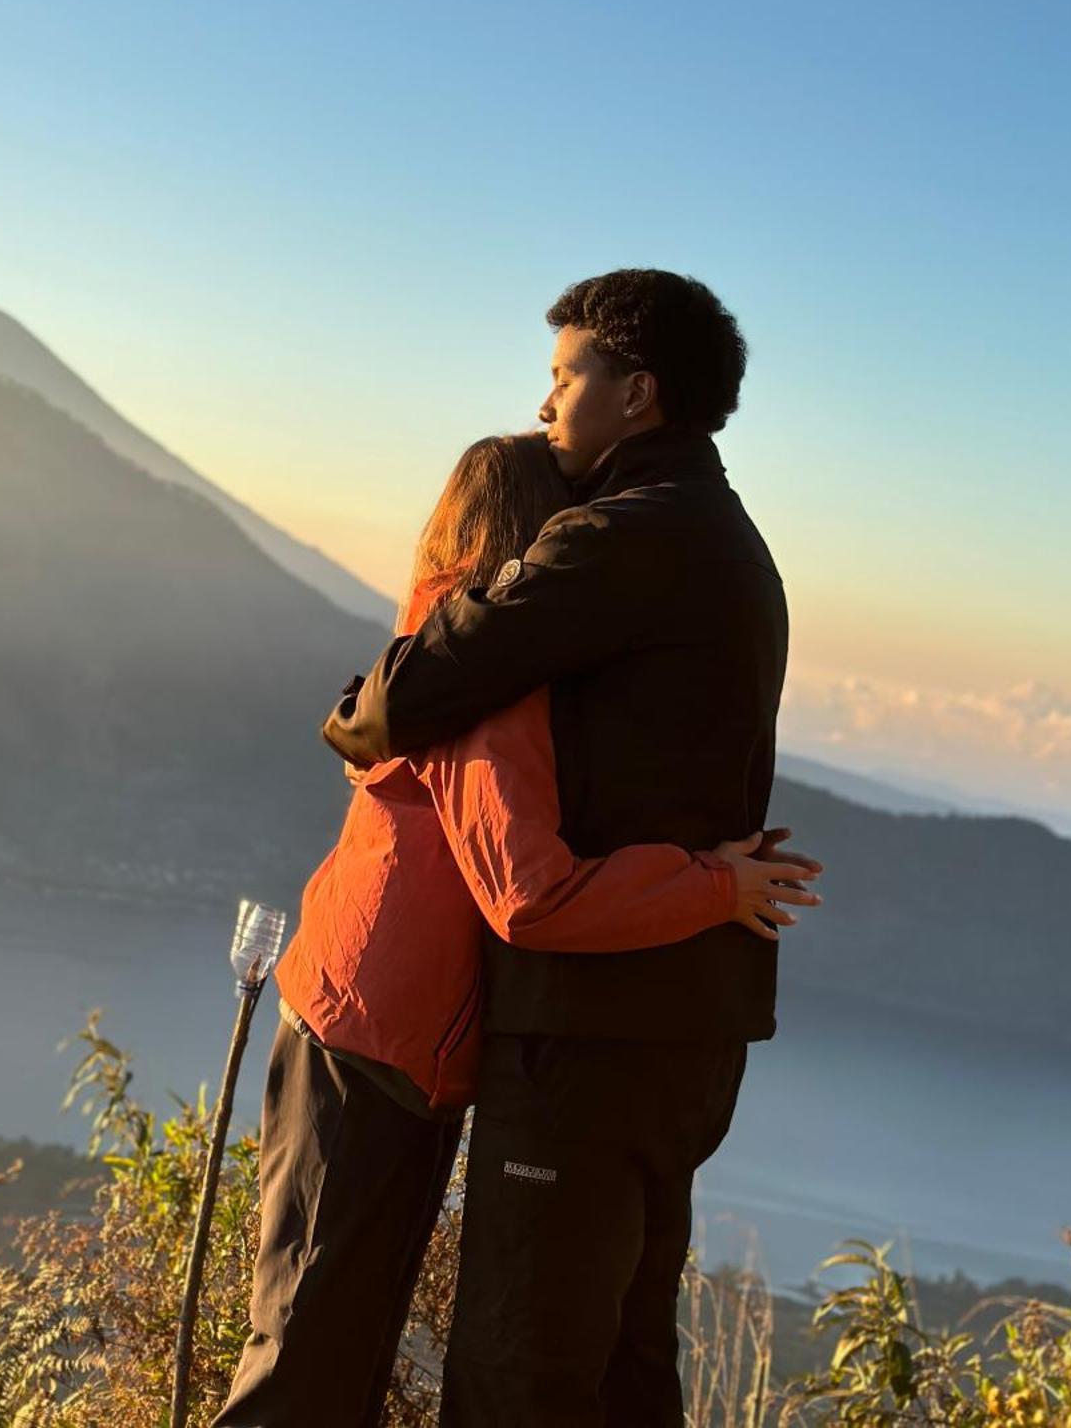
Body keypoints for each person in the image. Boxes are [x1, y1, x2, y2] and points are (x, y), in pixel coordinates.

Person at [213, 428, 820, 1428]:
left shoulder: (447, 650)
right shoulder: (486, 682)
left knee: (327, 1360)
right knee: (304, 1371)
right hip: (369, 1046)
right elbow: (530, 896)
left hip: (368, 1038)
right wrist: (716, 885)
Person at [322, 268, 798, 1428]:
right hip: (687, 1026)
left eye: (563, 375)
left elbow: (427, 674)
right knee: (625, 1366)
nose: (544, 406)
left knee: (518, 1368)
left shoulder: (624, 537)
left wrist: (353, 718)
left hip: (592, 1028)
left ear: (637, 393)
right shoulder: (733, 542)